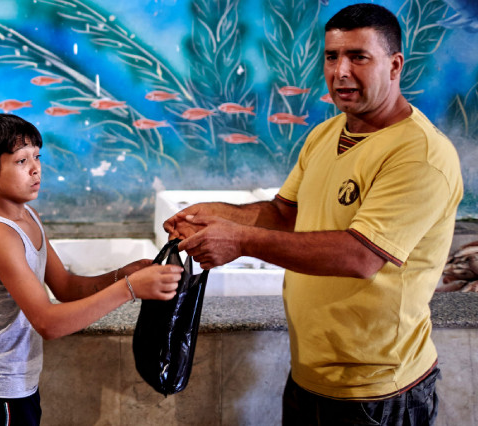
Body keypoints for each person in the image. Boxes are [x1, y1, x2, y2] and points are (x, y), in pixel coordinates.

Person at [163, 3, 462, 425]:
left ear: (395, 66)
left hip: (378, 391)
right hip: (310, 377)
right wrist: (217, 215)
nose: (340, 71)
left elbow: (359, 257)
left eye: (358, 57)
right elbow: (284, 215)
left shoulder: (420, 155)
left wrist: (240, 240)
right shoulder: (326, 134)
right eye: (332, 56)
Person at [0, 113, 183, 425]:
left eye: (37, 156)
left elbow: (66, 287)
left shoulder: (28, 217)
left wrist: (125, 273)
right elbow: (48, 324)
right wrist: (130, 289)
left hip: (19, 386)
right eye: (21, 161)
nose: (36, 169)